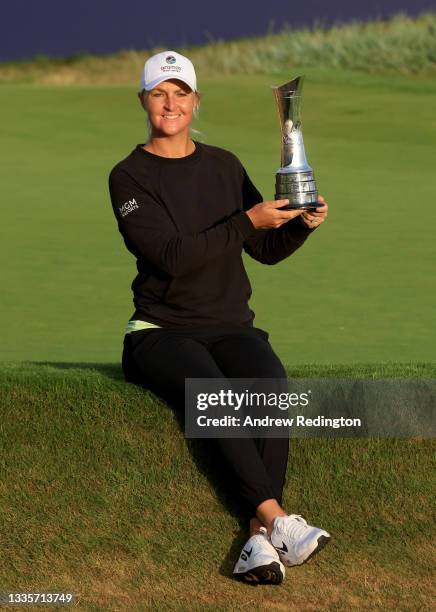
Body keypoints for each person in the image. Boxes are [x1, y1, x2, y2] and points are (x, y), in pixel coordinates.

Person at [108, 50, 330, 586]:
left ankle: (256, 542)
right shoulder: (128, 177)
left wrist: (300, 224)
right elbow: (172, 257)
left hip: (230, 324)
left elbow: (265, 247)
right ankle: (278, 520)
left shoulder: (225, 165)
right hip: (160, 332)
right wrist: (246, 220)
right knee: (216, 396)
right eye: (159, 93)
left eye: (180, 93)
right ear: (143, 101)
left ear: (195, 101)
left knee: (270, 388)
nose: (170, 104)